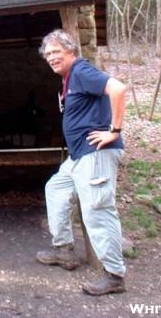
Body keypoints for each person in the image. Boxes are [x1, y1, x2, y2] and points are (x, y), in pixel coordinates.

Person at [36, 29, 127, 296]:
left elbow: (118, 89)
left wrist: (114, 130)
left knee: (97, 211)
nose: (52, 58)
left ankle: (114, 276)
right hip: (78, 157)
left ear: (71, 51)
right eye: (48, 54)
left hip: (95, 154)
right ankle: (64, 250)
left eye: (56, 52)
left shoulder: (82, 71)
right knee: (55, 189)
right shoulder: (69, 79)